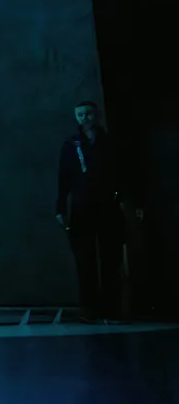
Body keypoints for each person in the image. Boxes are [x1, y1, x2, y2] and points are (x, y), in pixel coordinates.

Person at [57, 101, 143, 320]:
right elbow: (63, 178)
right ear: (75, 117)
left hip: (107, 207)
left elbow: (124, 174)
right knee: (85, 261)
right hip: (81, 209)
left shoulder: (110, 143)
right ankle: (90, 308)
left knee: (110, 259)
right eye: (80, 114)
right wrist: (60, 207)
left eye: (88, 114)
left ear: (96, 115)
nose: (84, 118)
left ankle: (111, 308)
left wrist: (132, 201)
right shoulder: (71, 145)